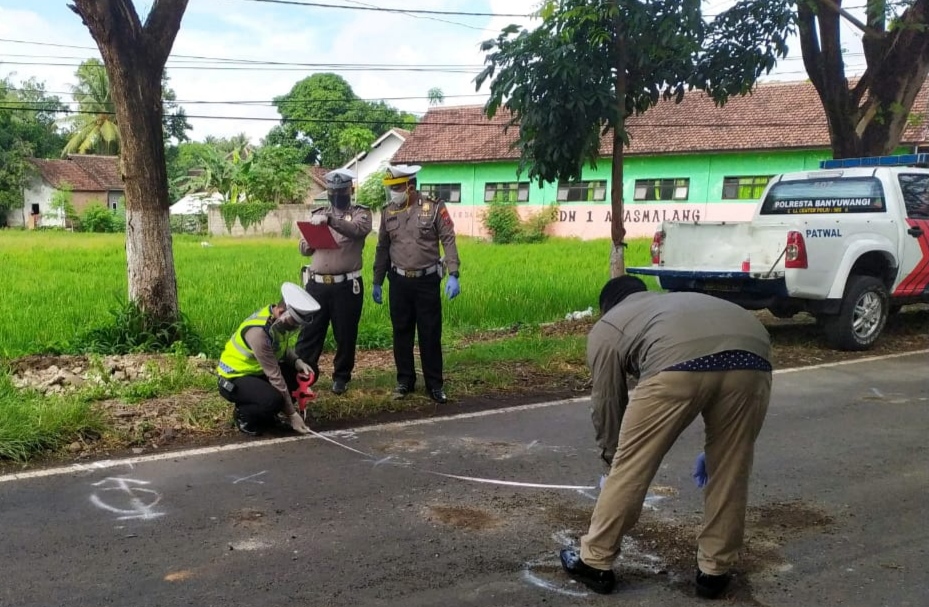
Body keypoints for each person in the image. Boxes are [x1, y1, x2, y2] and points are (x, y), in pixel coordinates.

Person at [560, 275, 772, 599]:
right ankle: (714, 572)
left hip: (678, 364)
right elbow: (738, 436)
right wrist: (725, 447)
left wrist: (613, 457)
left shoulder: (609, 325)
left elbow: (607, 401)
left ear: (607, 307)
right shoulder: (665, 303)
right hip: (753, 354)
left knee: (632, 467)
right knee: (730, 469)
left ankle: (596, 561)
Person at [371, 164, 461, 404]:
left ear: (411, 187)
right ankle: (405, 381)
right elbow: (382, 248)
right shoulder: (388, 212)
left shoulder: (433, 208)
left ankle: (434, 385)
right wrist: (377, 281)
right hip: (399, 281)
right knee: (401, 332)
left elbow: (448, 239)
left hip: (426, 281)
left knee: (430, 334)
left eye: (397, 188)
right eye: (391, 189)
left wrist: (454, 273)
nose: (393, 193)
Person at [295, 168, 372, 395]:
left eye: (341, 190)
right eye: (333, 190)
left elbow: (357, 231)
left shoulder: (360, 213)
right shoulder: (317, 213)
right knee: (310, 333)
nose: (336, 194)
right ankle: (304, 375)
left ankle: (341, 377)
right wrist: (310, 238)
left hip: (346, 286)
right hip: (317, 285)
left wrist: (331, 221)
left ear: (350, 190)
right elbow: (303, 249)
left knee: (345, 334)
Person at [216, 282, 321, 436]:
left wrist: (297, 361)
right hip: (235, 377)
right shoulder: (259, 333)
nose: (294, 328)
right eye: (294, 323)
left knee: (309, 370)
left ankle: (270, 413)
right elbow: (275, 376)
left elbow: (280, 348)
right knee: (273, 400)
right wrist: (292, 414)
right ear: (282, 311)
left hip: (258, 372)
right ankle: (245, 415)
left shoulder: (276, 321)